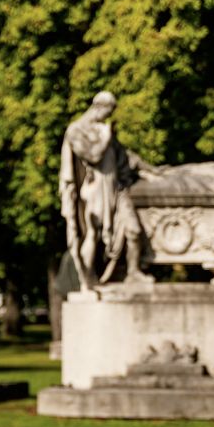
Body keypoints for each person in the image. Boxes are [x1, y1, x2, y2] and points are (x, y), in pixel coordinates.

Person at [58, 90, 153, 289]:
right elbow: (93, 155)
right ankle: (86, 278)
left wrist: (151, 170)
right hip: (94, 191)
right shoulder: (76, 130)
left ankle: (133, 272)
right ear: (98, 106)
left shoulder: (103, 129)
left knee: (133, 230)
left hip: (116, 189)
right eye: (107, 112)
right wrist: (105, 135)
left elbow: (126, 157)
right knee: (93, 234)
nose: (107, 117)